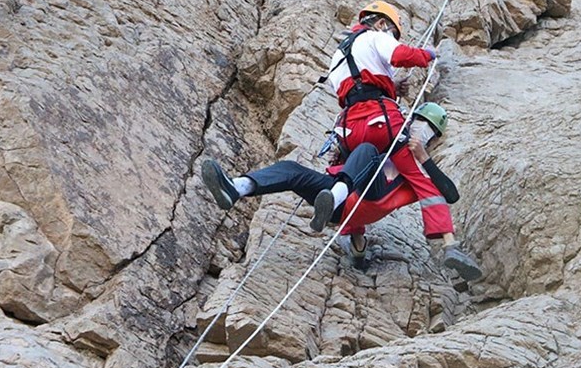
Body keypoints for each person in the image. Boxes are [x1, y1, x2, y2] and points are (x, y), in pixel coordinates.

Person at [201, 102, 483, 282]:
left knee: (366, 154)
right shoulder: (383, 146)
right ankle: (237, 188)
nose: (422, 133)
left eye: (429, 132)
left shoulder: (415, 178)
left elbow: (449, 194)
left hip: (365, 197)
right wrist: (358, 251)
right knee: (292, 170)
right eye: (419, 125)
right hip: (337, 203)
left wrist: (423, 158)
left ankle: (345, 214)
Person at [317, 1, 469, 272]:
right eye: (390, 30)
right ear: (381, 23)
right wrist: (427, 54)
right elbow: (400, 56)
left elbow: (358, 87)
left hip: (350, 127)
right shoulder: (377, 36)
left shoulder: (338, 55)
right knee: (422, 182)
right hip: (381, 123)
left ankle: (357, 242)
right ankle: (449, 243)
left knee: (351, 175)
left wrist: (391, 87)